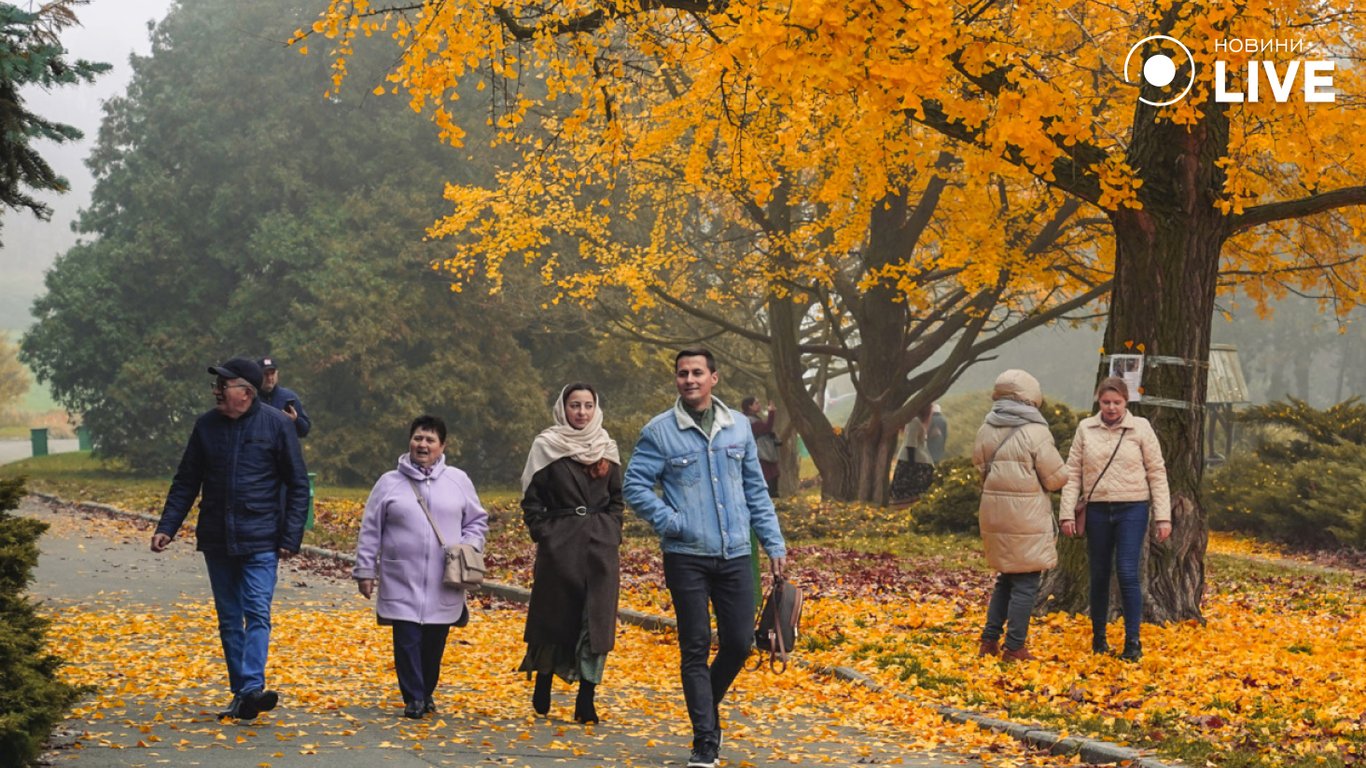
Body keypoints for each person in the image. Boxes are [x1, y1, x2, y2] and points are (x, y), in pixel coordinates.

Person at [623, 348, 787, 768]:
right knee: (694, 645)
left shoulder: (737, 428)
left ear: (715, 377)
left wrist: (774, 544)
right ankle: (705, 741)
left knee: (738, 642)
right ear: (676, 380)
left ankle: (703, 707)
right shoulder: (659, 432)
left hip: (735, 553)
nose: (689, 379)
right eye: (682, 374)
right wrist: (671, 522)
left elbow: (756, 490)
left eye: (697, 372)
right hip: (686, 556)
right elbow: (635, 486)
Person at [151, 356, 309, 720]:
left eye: (224, 385)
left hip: (262, 538)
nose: (217, 391)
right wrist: (166, 527)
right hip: (217, 538)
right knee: (228, 619)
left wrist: (291, 535)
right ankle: (244, 694)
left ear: (247, 393)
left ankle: (251, 687)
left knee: (256, 611)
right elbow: (187, 480)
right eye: (217, 385)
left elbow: (297, 484)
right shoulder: (205, 426)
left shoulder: (276, 426)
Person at [353, 415, 488, 718]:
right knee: (407, 638)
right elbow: (371, 529)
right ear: (409, 441)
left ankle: (426, 691)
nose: (422, 444)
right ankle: (413, 697)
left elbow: (477, 521)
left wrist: (469, 547)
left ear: (442, 446)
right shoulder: (389, 483)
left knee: (434, 643)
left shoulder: (458, 480)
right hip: (401, 576)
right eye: (417, 438)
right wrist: (365, 570)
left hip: (445, 578)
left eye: (429, 440)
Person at [518, 383, 623, 724]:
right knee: (555, 617)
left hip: (600, 547)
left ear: (596, 408)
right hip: (560, 544)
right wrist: (544, 532)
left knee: (595, 623)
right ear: (563, 408)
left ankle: (586, 697)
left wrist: (611, 531)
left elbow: (617, 500)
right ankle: (544, 678)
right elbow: (532, 498)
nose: (581, 412)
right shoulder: (547, 445)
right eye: (575, 405)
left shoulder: (606, 447)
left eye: (588, 405)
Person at [1058, 376, 1172, 662]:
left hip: (1132, 507)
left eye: (1117, 402)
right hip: (1097, 509)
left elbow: (1157, 472)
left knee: (1126, 572)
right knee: (1098, 573)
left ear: (1126, 402)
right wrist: (1066, 513)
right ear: (1099, 401)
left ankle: (1132, 642)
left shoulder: (1140, 428)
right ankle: (1099, 638)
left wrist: (1163, 517)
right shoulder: (1086, 428)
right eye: (1106, 402)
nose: (1111, 408)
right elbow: (1072, 472)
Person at [972, 370, 1069, 661]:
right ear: (1030, 398)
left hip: (994, 513)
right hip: (1025, 515)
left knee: (1006, 578)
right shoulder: (1036, 431)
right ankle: (1014, 646)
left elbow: (979, 467)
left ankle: (989, 641)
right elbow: (1054, 478)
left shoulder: (986, 427)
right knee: (1026, 582)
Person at [889, 402, 935, 505]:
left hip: (915, 459)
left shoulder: (916, 421)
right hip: (914, 460)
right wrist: (911, 466)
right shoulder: (914, 421)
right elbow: (910, 444)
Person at [257, 356, 310, 438]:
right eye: (266, 374)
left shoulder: (289, 397)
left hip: (284, 449)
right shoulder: (250, 398)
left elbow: (305, 431)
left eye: (272, 373)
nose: (270, 378)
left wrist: (295, 420)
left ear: (277, 374)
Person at [741, 396, 780, 497]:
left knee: (773, 476)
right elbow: (766, 428)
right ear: (750, 406)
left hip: (764, 453)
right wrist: (771, 413)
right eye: (756, 403)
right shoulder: (749, 420)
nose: (759, 405)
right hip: (762, 454)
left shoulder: (753, 418)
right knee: (769, 479)